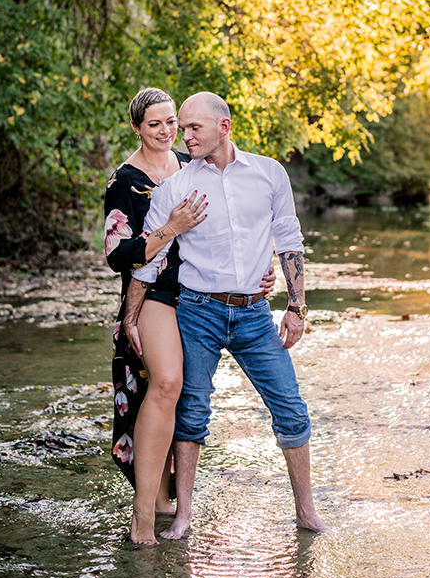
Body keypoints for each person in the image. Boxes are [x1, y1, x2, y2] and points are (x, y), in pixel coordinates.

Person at [130, 91, 327, 537]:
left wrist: (296, 307)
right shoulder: (177, 187)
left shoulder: (268, 173)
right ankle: (183, 515)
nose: (184, 136)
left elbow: (289, 241)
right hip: (197, 313)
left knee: (292, 410)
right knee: (193, 413)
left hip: (256, 315)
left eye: (193, 127)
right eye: (181, 128)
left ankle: (306, 512)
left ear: (224, 126)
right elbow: (150, 259)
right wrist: (131, 316)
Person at [105, 87, 276, 546]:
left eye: (171, 123)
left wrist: (263, 272)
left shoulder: (192, 164)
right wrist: (170, 229)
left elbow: (240, 226)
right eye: (154, 124)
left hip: (203, 293)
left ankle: (164, 502)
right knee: (166, 383)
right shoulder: (124, 181)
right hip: (158, 293)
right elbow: (118, 255)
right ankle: (142, 517)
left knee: (187, 400)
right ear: (137, 127)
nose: (166, 132)